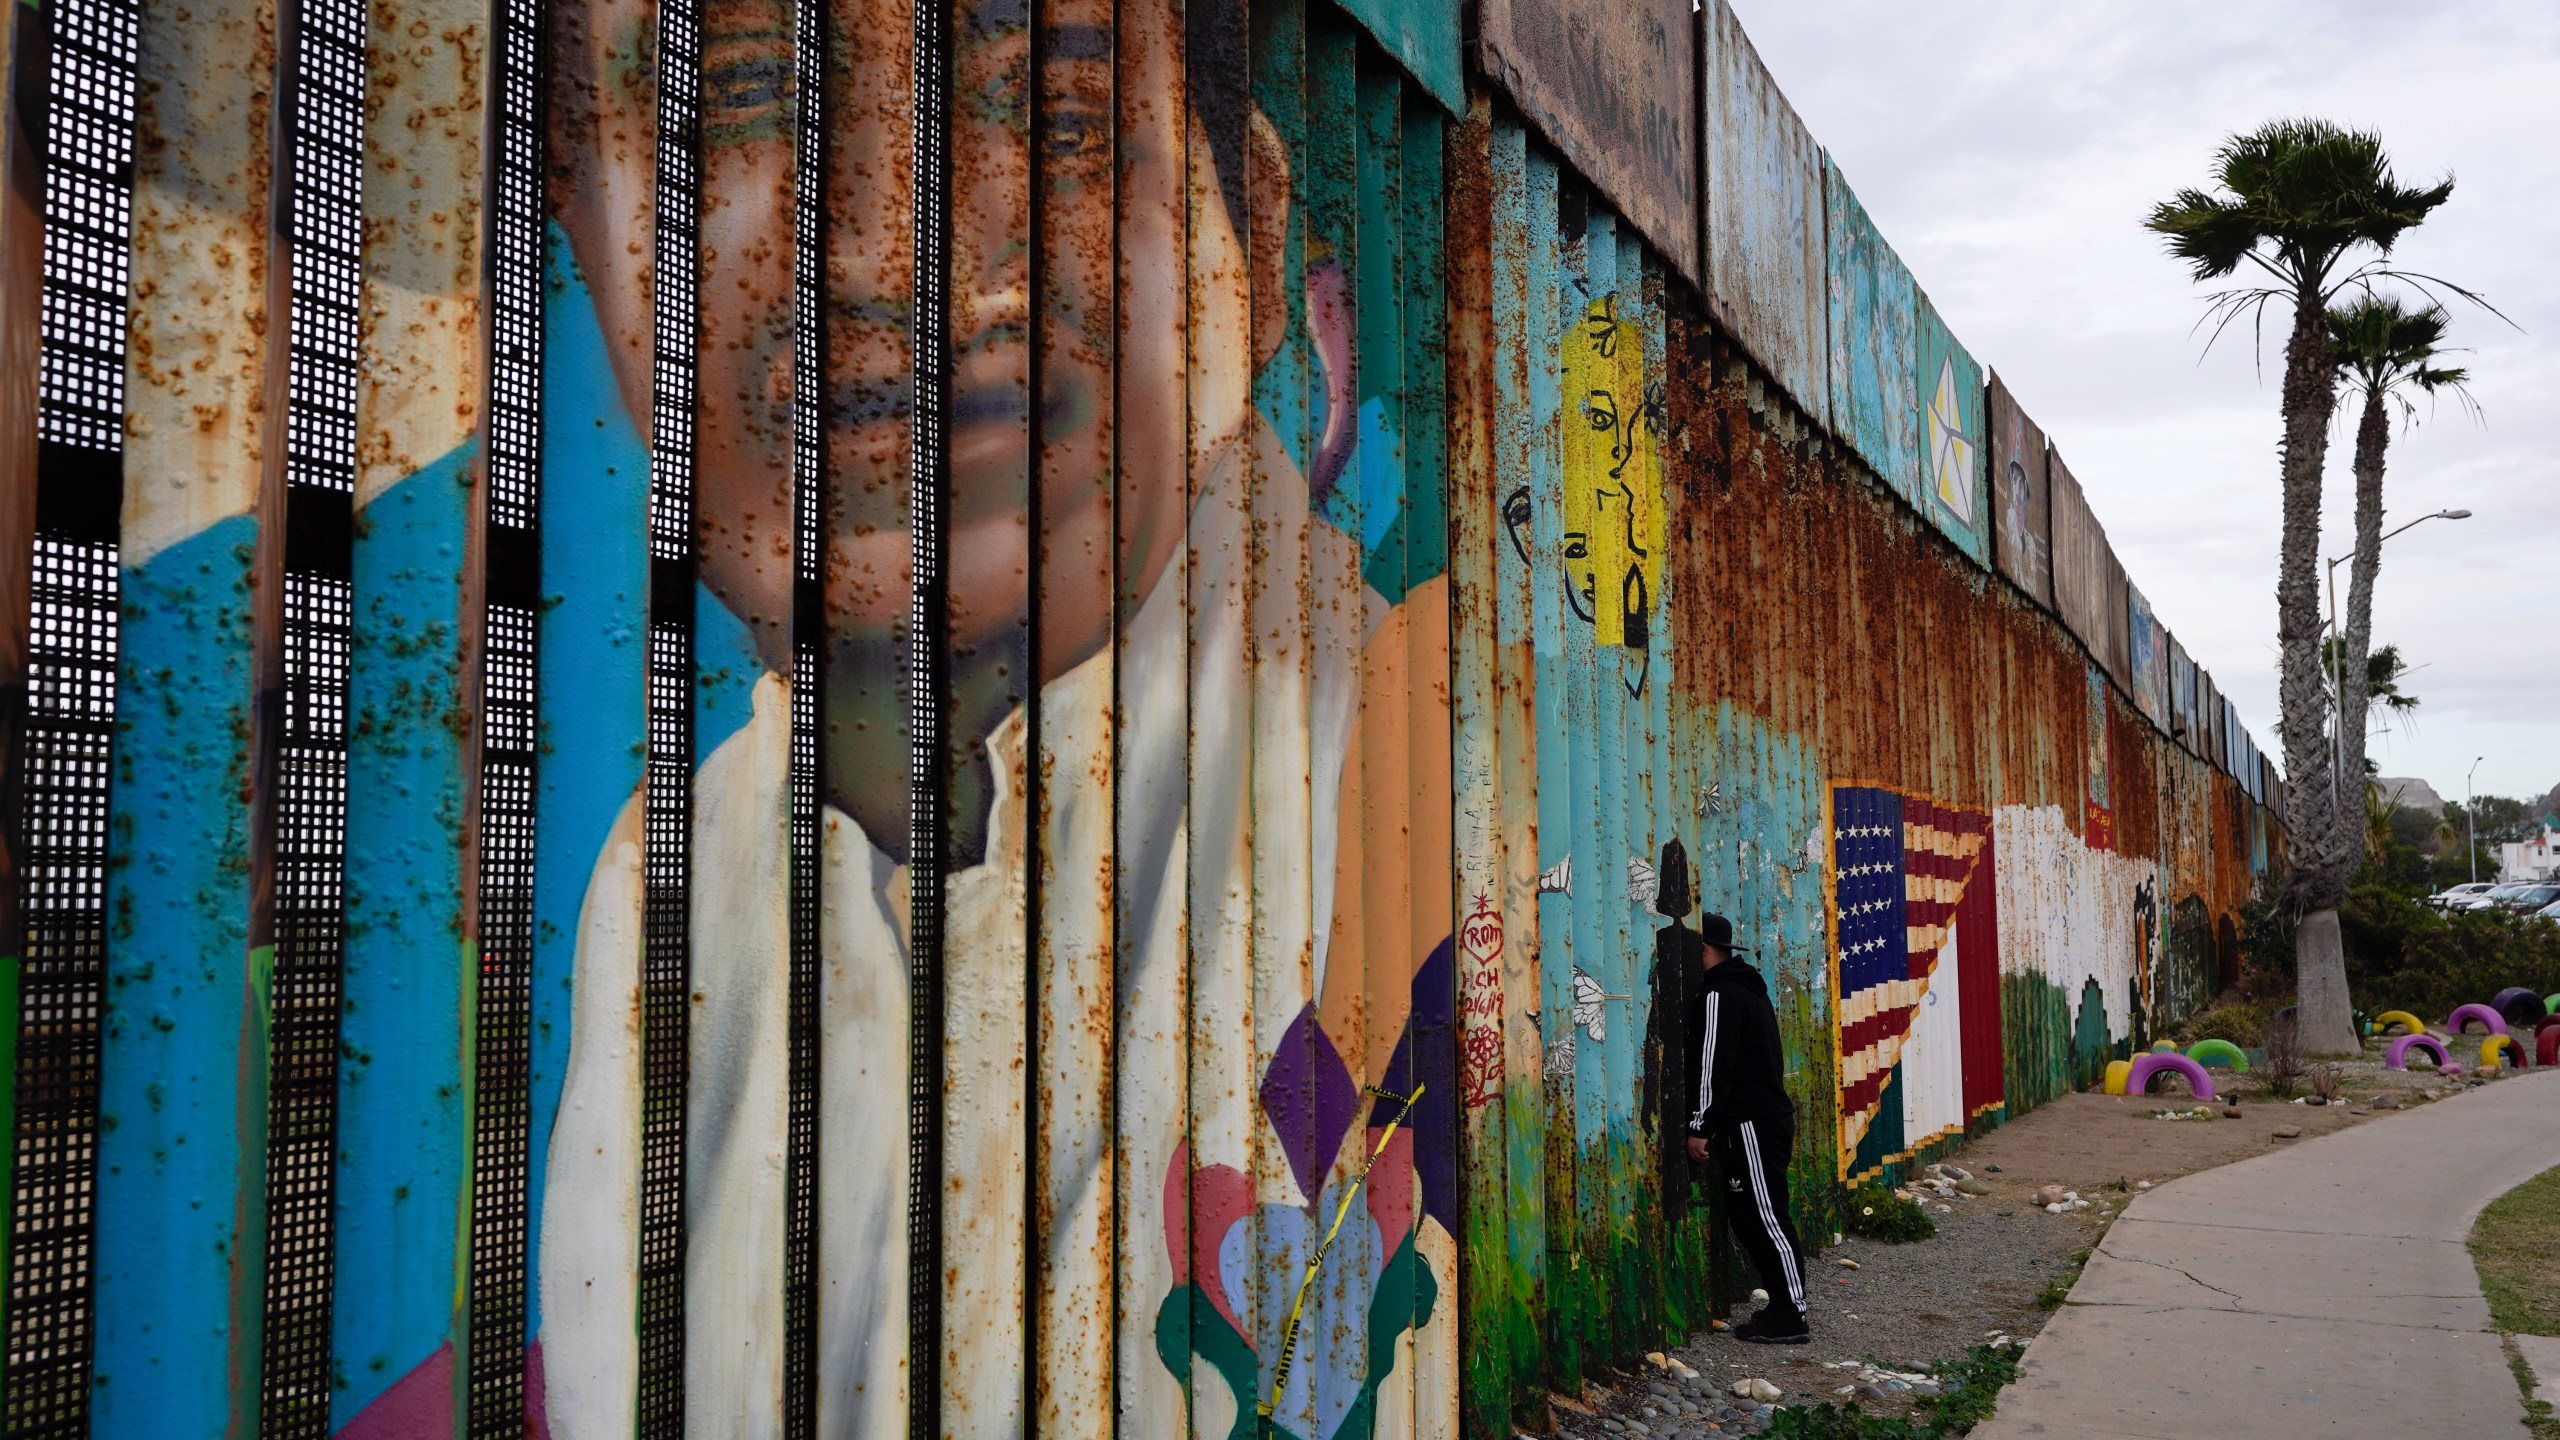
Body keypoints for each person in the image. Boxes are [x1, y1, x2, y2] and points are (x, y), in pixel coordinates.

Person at [1680, 908, 1810, 1344]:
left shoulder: (1720, 995)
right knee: (1755, 1217)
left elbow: (1713, 1064)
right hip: (1759, 1120)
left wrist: (1699, 1124)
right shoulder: (1748, 989)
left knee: (1766, 1218)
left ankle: (1791, 1316)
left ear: (1703, 950)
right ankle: (1782, 1308)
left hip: (1752, 1123)